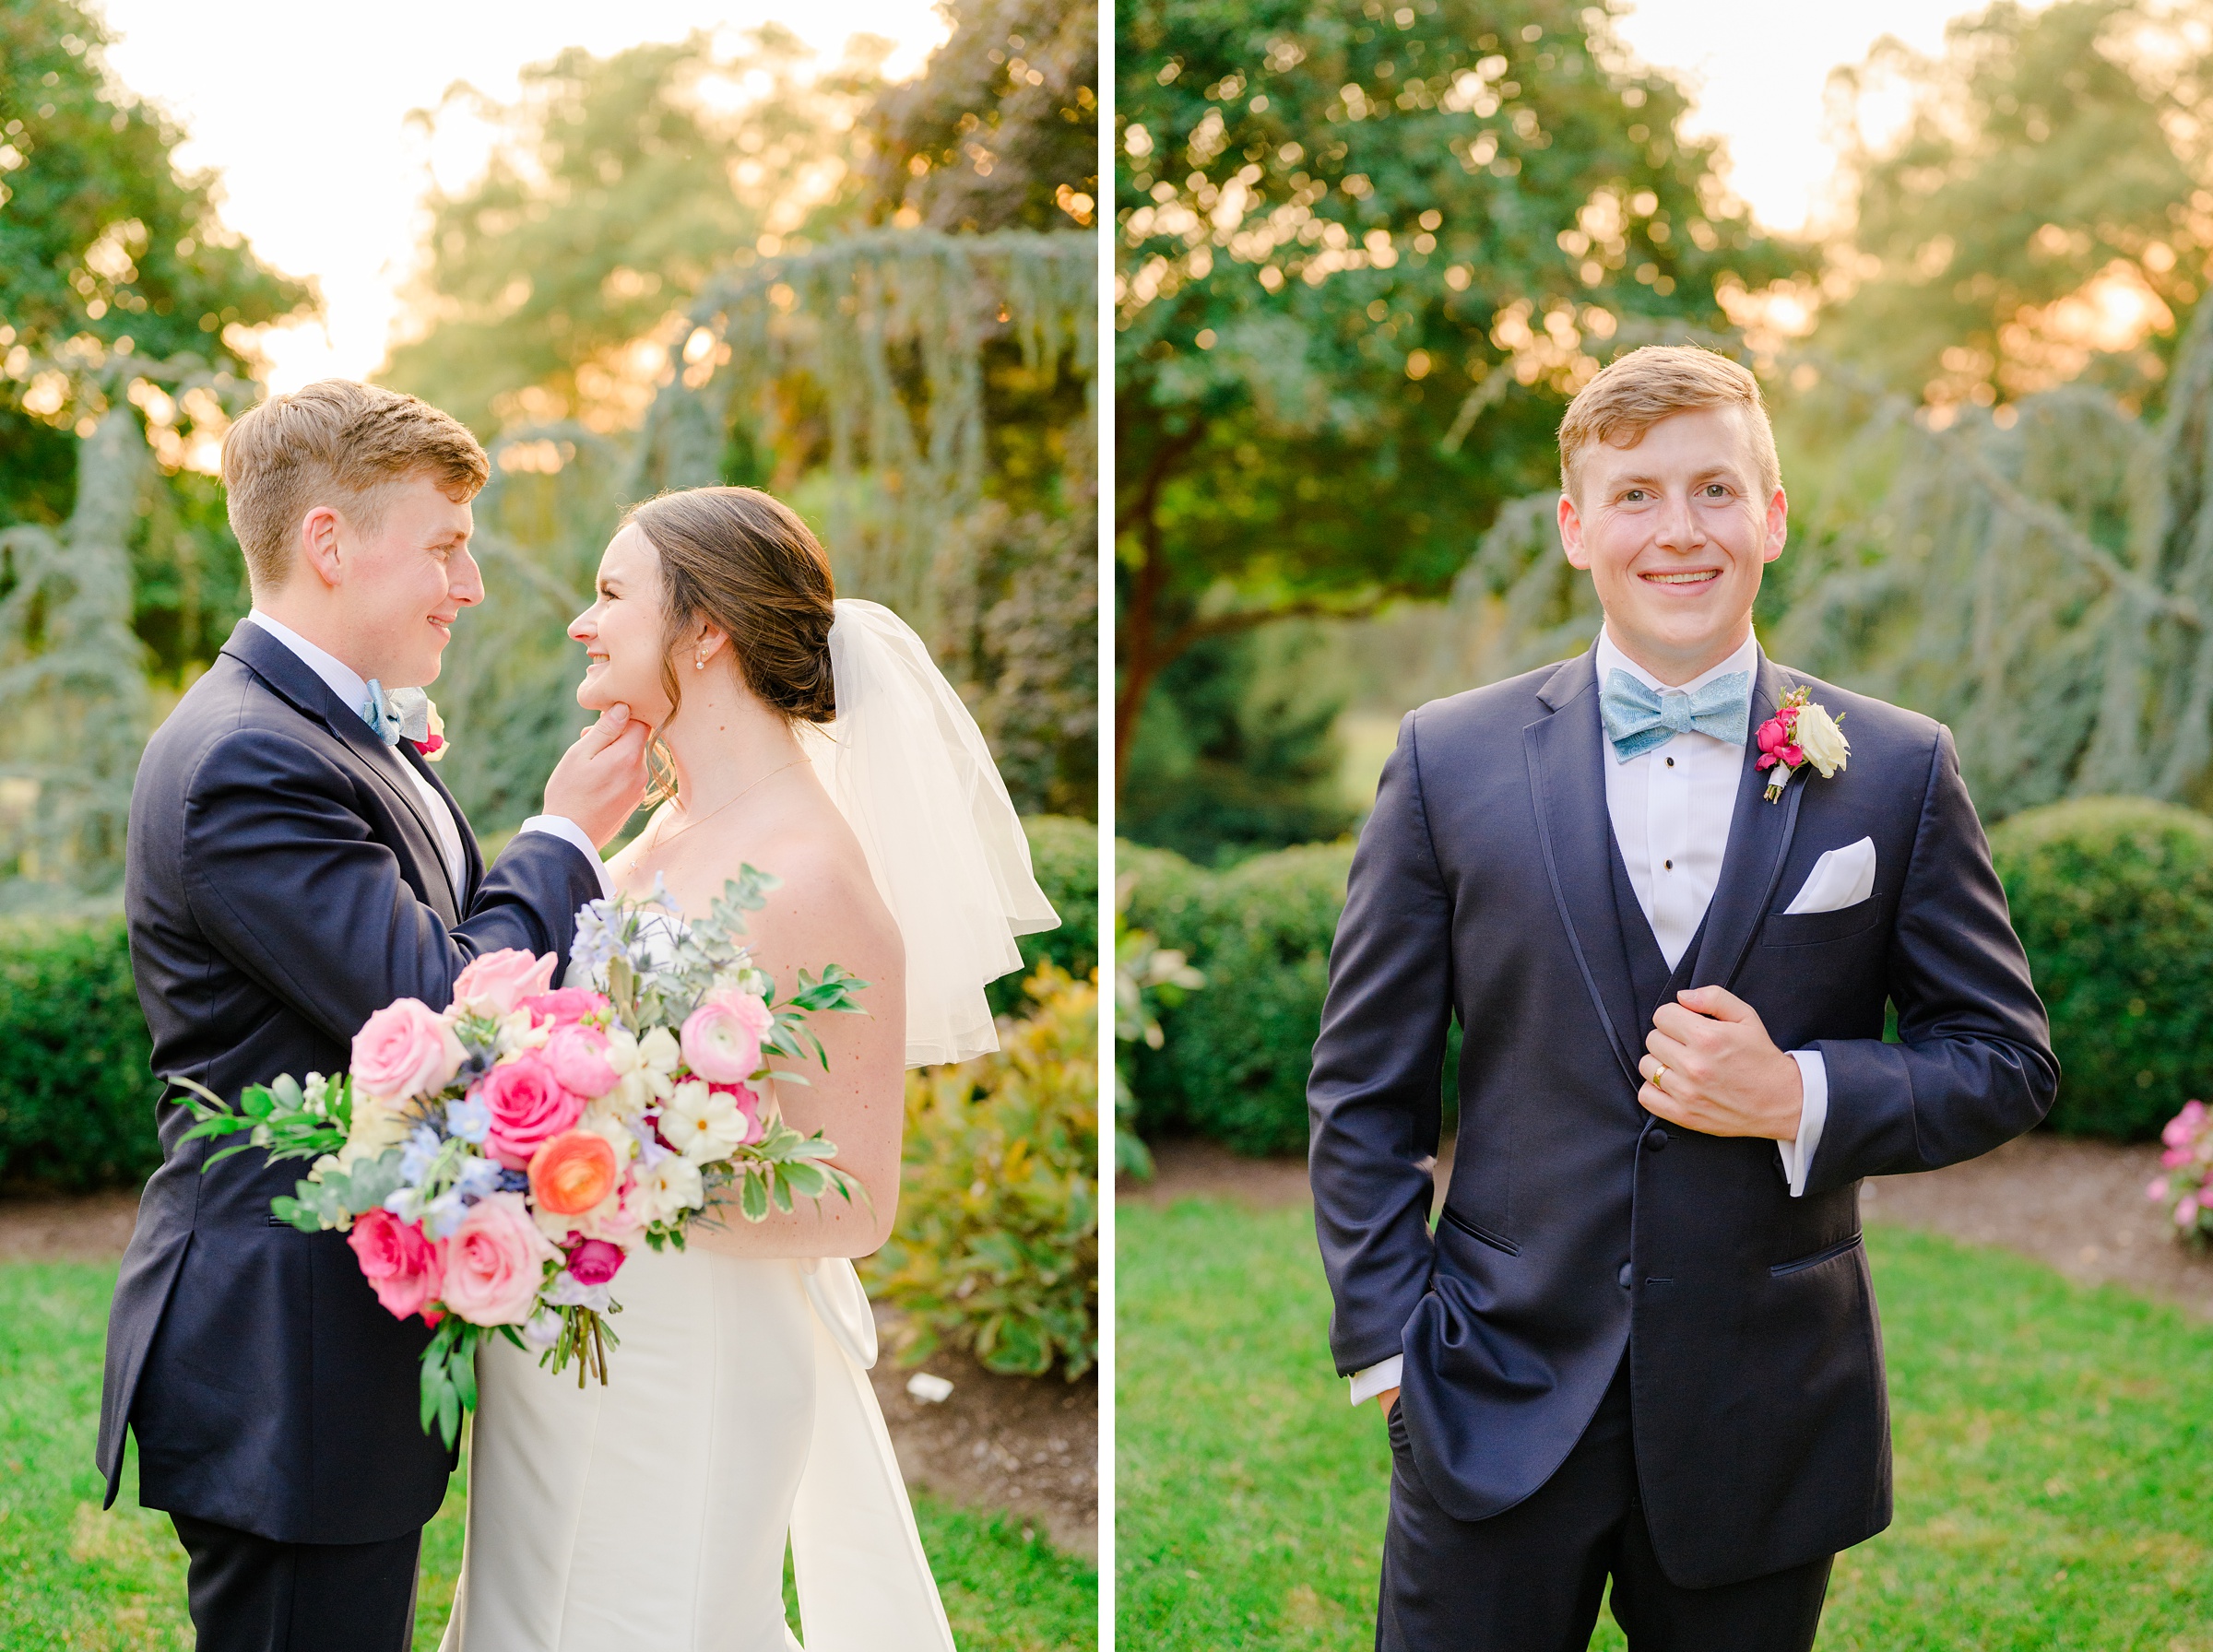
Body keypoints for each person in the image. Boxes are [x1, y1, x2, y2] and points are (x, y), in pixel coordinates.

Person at [1307, 346, 2058, 1651]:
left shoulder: (1895, 768)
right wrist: (1391, 1358)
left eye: (1716, 489)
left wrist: (1798, 1094)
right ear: (1575, 526)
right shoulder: (1447, 759)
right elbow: (1364, 1088)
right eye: (1637, 494)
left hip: (1766, 1407)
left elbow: (2003, 1058)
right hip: (1490, 1386)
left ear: (1771, 514)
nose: (1678, 530)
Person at [438, 486, 1056, 1651]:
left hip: (686, 1359)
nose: (583, 619)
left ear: (705, 629)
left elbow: (855, 1199)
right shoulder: (658, 831)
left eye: (613, 593)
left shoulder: (813, 874)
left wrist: (597, 1173)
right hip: (572, 1335)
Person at [100, 380, 652, 1652]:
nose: (469, 586)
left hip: (328, 1341)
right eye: (446, 548)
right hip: (282, 1353)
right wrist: (564, 837)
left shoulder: (331, 735)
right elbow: (442, 1007)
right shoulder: (247, 757)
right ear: (331, 542)